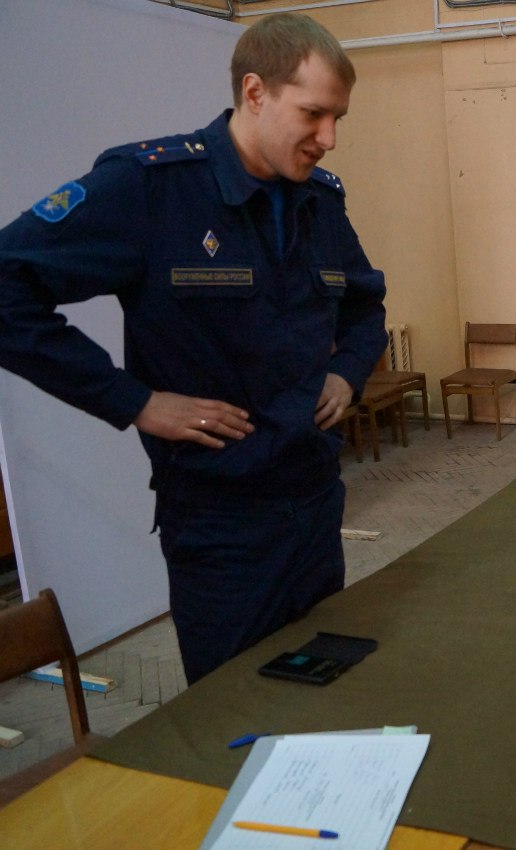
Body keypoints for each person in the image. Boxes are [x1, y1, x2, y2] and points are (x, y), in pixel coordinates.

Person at [0, 14, 387, 684]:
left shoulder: (318, 202)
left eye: (338, 119)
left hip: (316, 505)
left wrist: (347, 374)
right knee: (232, 713)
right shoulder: (151, 189)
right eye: (315, 114)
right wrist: (136, 401)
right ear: (256, 92)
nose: (328, 139)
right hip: (222, 527)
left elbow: (364, 302)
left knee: (325, 691)